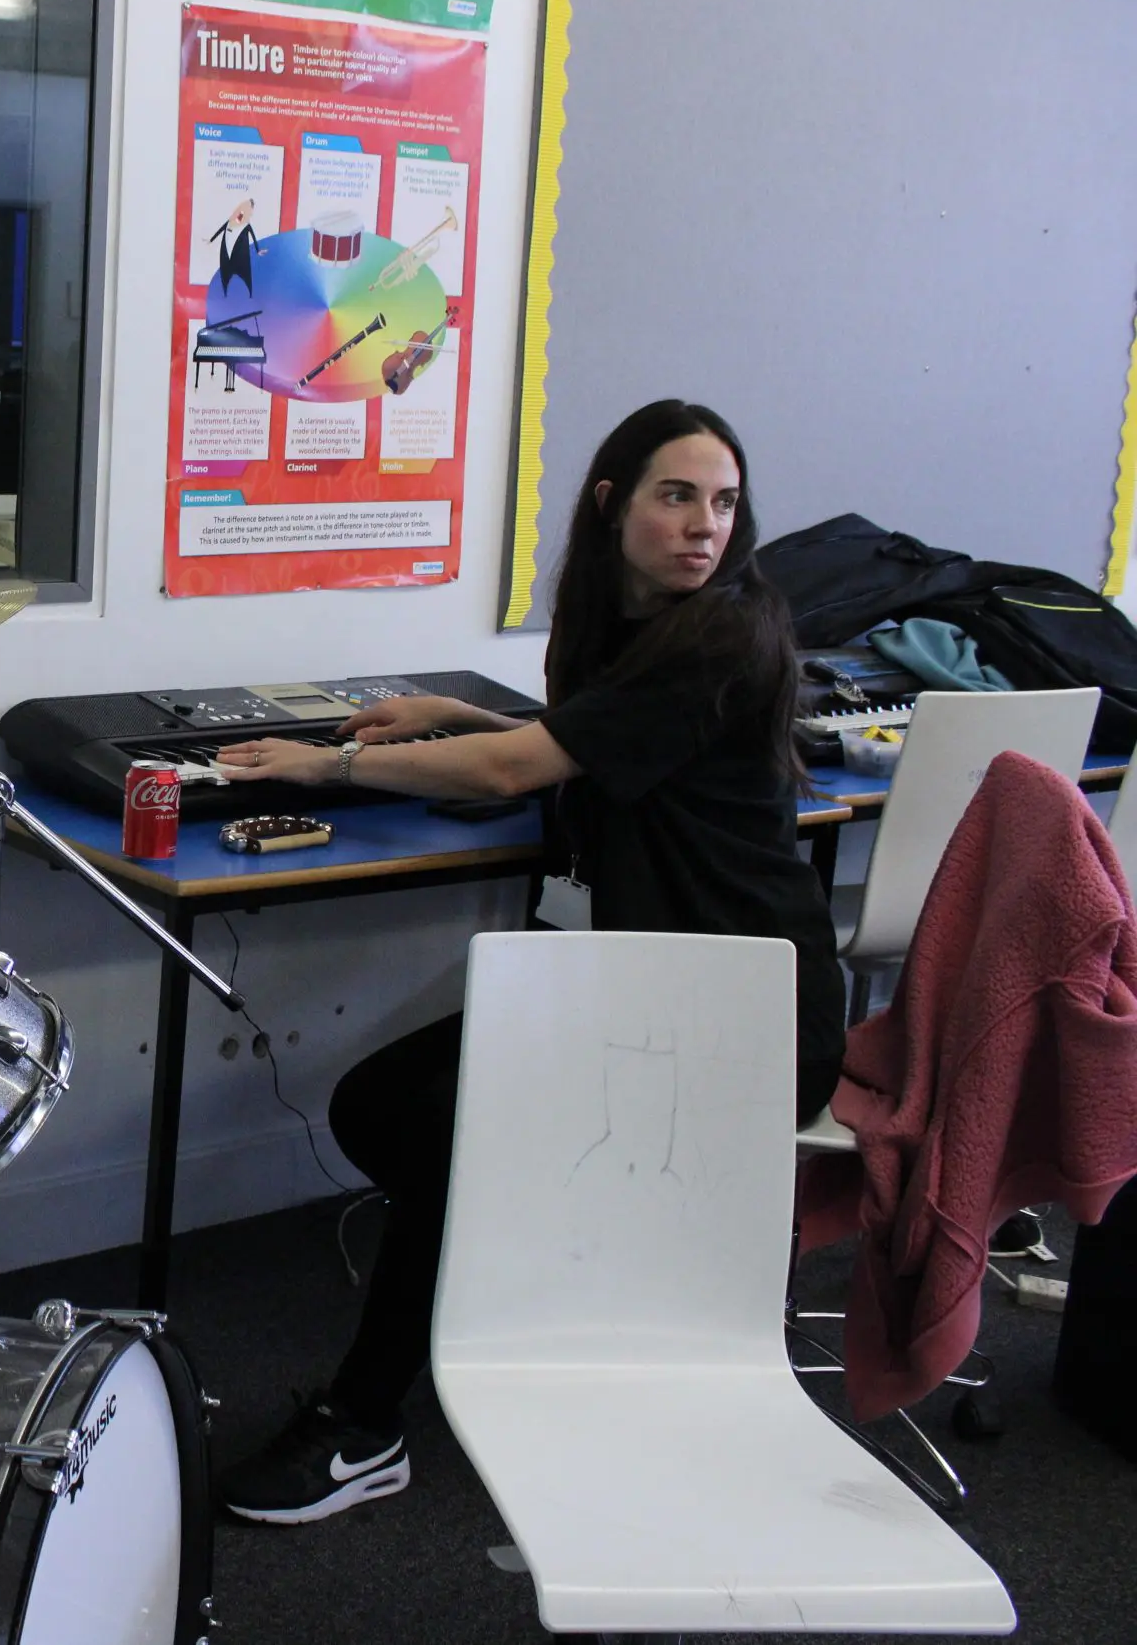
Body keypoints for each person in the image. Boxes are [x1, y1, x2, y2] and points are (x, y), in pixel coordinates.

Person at [207, 399, 845, 1526]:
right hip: (640, 988)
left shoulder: (723, 631)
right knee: (387, 1107)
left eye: (725, 502)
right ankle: (527, 1301)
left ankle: (364, 1425)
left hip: (735, 1019)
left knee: (455, 1130)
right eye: (677, 495)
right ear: (612, 505)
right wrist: (451, 711)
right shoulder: (628, 623)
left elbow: (514, 773)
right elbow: (586, 733)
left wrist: (325, 769)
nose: (706, 526)